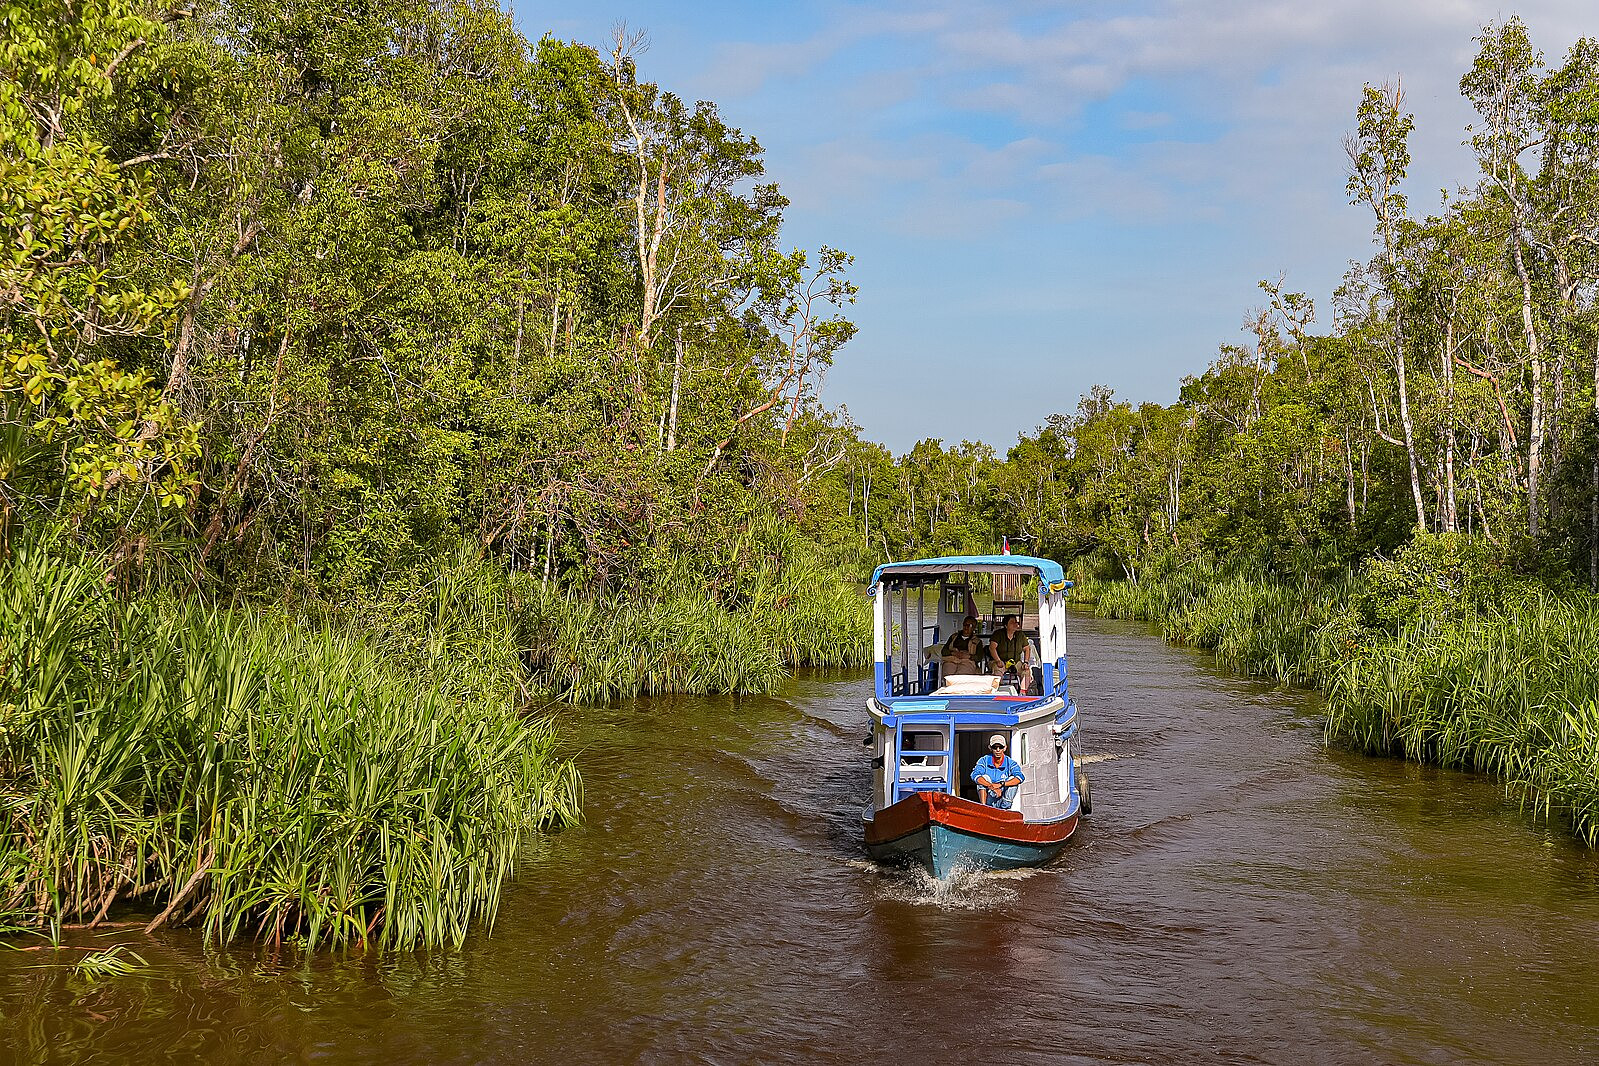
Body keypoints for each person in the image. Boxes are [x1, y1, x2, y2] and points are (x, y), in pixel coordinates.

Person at [971, 734, 1024, 809]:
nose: (998, 750)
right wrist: (991, 786)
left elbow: (1020, 777)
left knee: (1013, 779)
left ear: (1005, 748)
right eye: (995, 747)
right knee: (983, 777)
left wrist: (1001, 784)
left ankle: (1005, 808)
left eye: (1001, 747)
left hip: (1003, 798)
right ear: (990, 748)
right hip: (990, 797)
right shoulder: (984, 760)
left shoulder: (1010, 762)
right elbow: (974, 775)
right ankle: (984, 808)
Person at [987, 614, 1033, 694]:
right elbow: (992, 648)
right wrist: (998, 660)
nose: (1016, 624)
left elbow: (1027, 648)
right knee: (998, 670)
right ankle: (998, 691)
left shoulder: (1020, 635)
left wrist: (1026, 662)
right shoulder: (998, 634)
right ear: (1005, 625)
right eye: (1012, 622)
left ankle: (1023, 692)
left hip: (1015, 661)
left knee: (1026, 671)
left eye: (1016, 622)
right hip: (1000, 661)